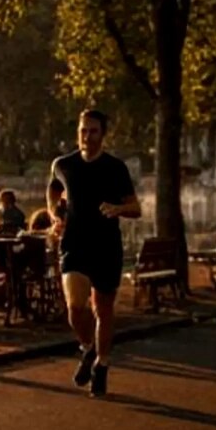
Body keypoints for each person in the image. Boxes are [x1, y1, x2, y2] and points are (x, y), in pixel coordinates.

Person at [49, 109, 142, 399]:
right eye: (83, 131)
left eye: (93, 131)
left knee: (103, 310)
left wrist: (117, 209)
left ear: (103, 134)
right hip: (74, 244)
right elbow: (53, 191)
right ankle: (87, 348)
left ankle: (102, 364)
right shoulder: (63, 164)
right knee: (76, 307)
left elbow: (136, 207)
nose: (87, 136)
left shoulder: (115, 168)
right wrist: (54, 215)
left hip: (105, 246)